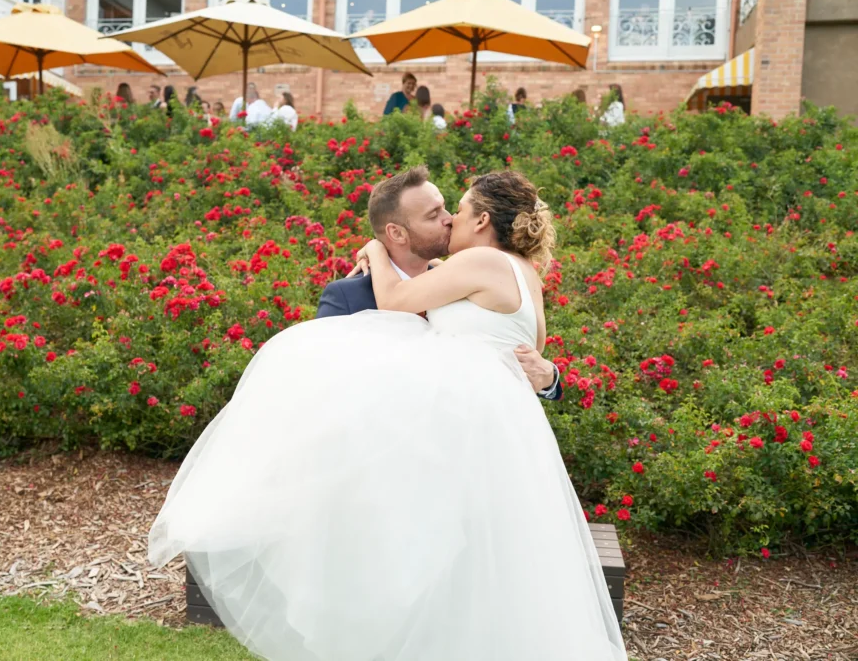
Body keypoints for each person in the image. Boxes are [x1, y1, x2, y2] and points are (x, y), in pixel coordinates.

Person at [148, 167, 627, 661]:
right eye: (437, 213)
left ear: (482, 221)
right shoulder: (522, 274)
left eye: (455, 211)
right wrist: (546, 376)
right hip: (495, 444)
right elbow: (522, 353)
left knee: (450, 568)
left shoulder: (482, 261)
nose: (448, 221)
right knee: (477, 574)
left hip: (459, 440)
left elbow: (400, 305)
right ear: (398, 229)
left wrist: (375, 251)